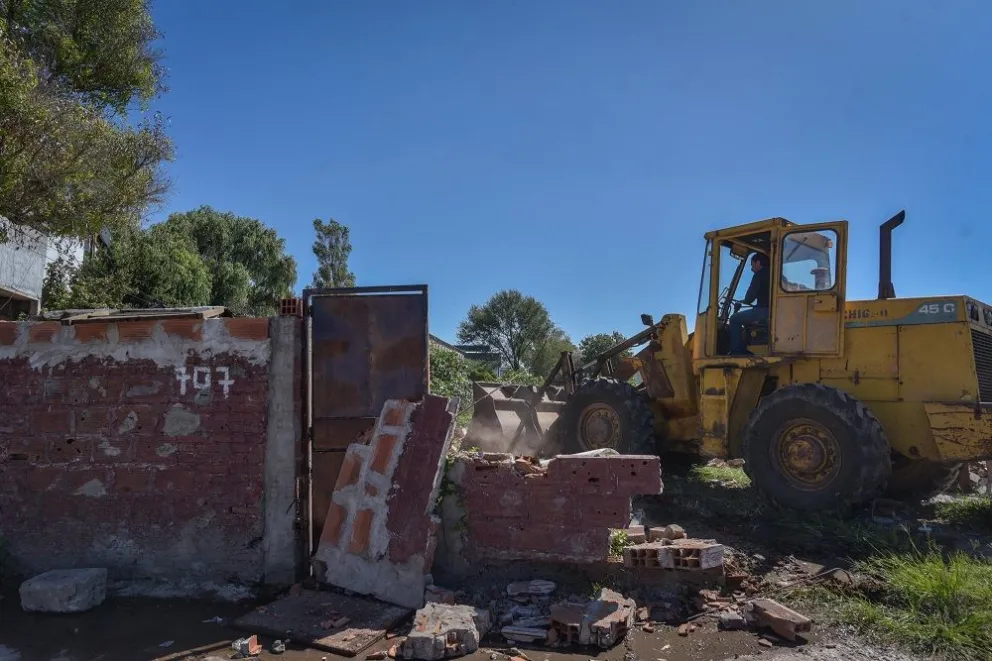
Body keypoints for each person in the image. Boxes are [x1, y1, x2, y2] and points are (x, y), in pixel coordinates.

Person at [728, 252, 769, 355]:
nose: (751, 268)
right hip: (772, 310)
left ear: (758, 263)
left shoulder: (759, 275)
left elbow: (750, 298)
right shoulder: (775, 273)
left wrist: (744, 301)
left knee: (734, 319)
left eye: (752, 265)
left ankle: (737, 351)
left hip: (763, 311)